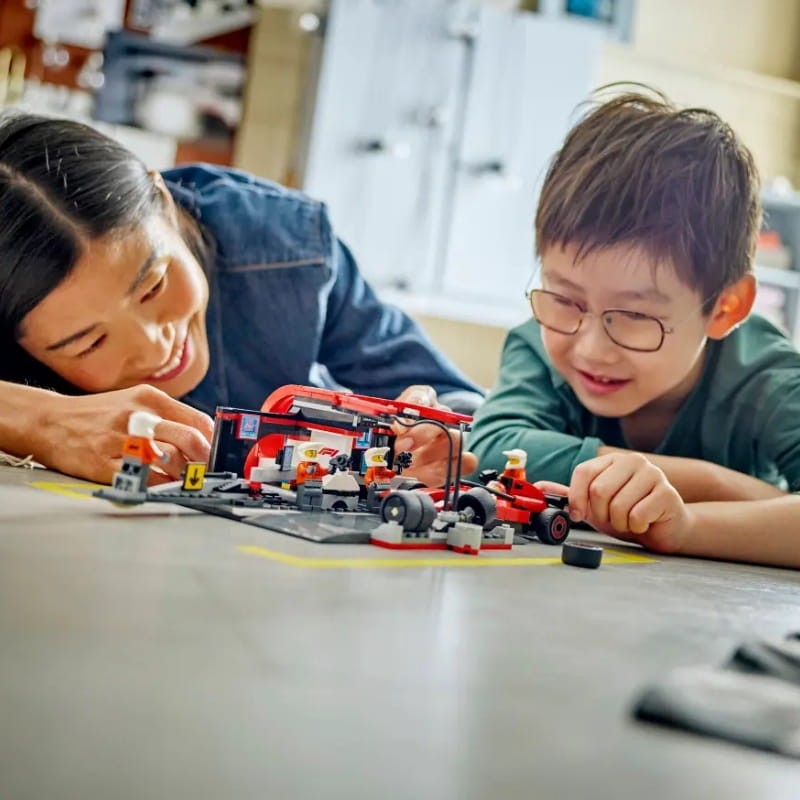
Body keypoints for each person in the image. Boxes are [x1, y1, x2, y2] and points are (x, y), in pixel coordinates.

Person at [0, 111, 482, 487]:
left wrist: (434, 435)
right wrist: (41, 420)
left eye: (153, 286)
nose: (155, 346)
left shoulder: (285, 244)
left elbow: (461, 402)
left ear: (165, 202)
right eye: (88, 343)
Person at [468, 89, 800, 569]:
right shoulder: (537, 344)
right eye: (565, 299)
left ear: (725, 307)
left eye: (635, 317)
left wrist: (686, 524)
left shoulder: (769, 380)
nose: (590, 348)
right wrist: (723, 485)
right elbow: (493, 449)